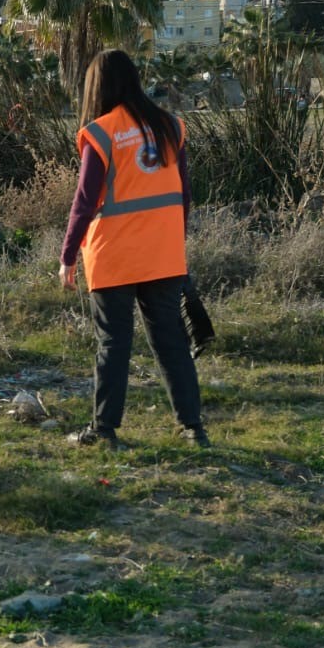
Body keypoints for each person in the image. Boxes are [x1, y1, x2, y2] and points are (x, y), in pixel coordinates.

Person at [59, 49, 209, 449]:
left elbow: (85, 199)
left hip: (115, 256)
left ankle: (104, 431)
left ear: (97, 86)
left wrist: (68, 255)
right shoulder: (170, 127)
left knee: (113, 344)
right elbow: (185, 195)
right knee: (171, 342)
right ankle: (192, 428)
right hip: (163, 254)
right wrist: (175, 243)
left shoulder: (102, 132)